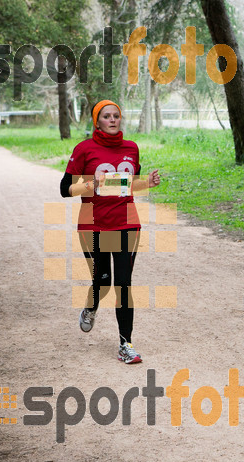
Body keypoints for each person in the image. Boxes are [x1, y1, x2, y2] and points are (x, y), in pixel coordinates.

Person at [60, 99, 162, 364]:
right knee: (103, 282)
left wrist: (146, 183)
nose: (113, 119)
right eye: (107, 116)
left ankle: (125, 344)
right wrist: (90, 184)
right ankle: (91, 306)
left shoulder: (132, 148)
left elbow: (129, 185)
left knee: (123, 285)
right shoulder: (84, 149)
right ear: (97, 121)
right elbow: (64, 189)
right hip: (94, 224)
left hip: (127, 222)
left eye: (116, 115)